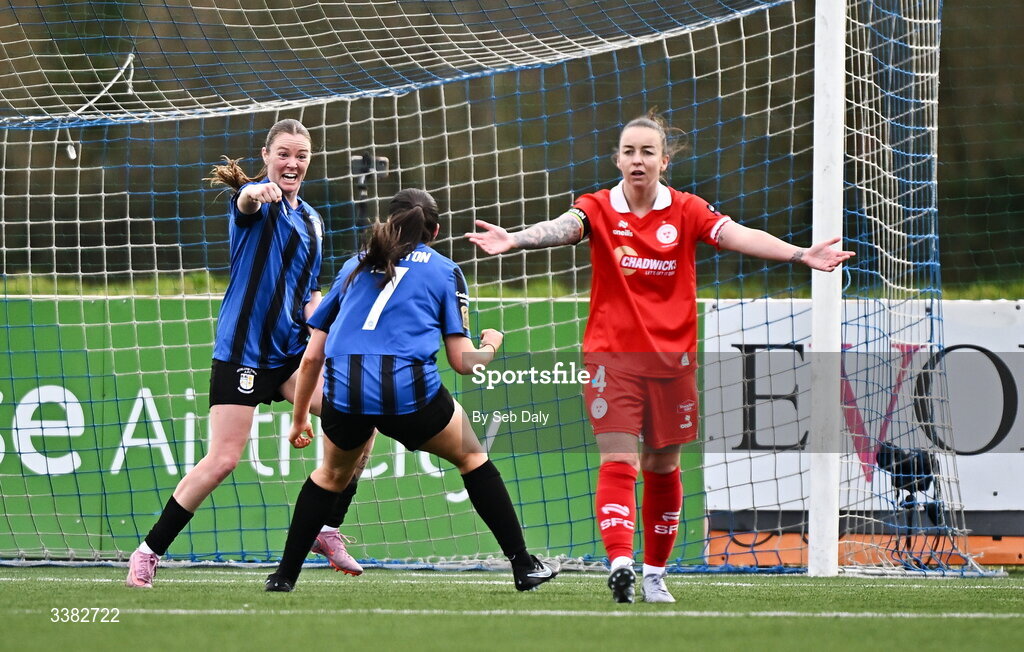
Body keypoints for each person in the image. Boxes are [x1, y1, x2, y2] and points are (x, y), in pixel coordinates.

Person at [467, 111, 854, 603]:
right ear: (617, 159)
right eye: (628, 151)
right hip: (613, 360)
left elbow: (738, 235)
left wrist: (799, 254)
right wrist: (516, 238)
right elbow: (565, 227)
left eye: (647, 152)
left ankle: (654, 574)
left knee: (664, 467)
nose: (637, 160)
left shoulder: (687, 210)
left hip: (672, 365)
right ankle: (621, 563)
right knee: (620, 461)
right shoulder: (599, 206)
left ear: (663, 162)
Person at [263, 188, 560, 593]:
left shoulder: (354, 265)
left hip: (346, 392)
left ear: (389, 224)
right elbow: (462, 362)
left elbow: (313, 357)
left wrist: (299, 418)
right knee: (473, 456)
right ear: (434, 231)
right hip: (407, 393)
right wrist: (491, 344)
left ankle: (283, 576)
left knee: (330, 476)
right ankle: (524, 566)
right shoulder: (445, 270)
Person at [126, 118, 370, 588]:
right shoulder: (256, 202)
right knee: (222, 460)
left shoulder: (314, 221)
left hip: (291, 354)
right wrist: (254, 194)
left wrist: (329, 328)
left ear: (309, 160)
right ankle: (149, 550)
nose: (292, 163)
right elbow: (243, 203)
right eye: (283, 154)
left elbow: (309, 293)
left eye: (300, 155)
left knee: (361, 416)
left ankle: (326, 527)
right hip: (242, 353)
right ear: (266, 156)